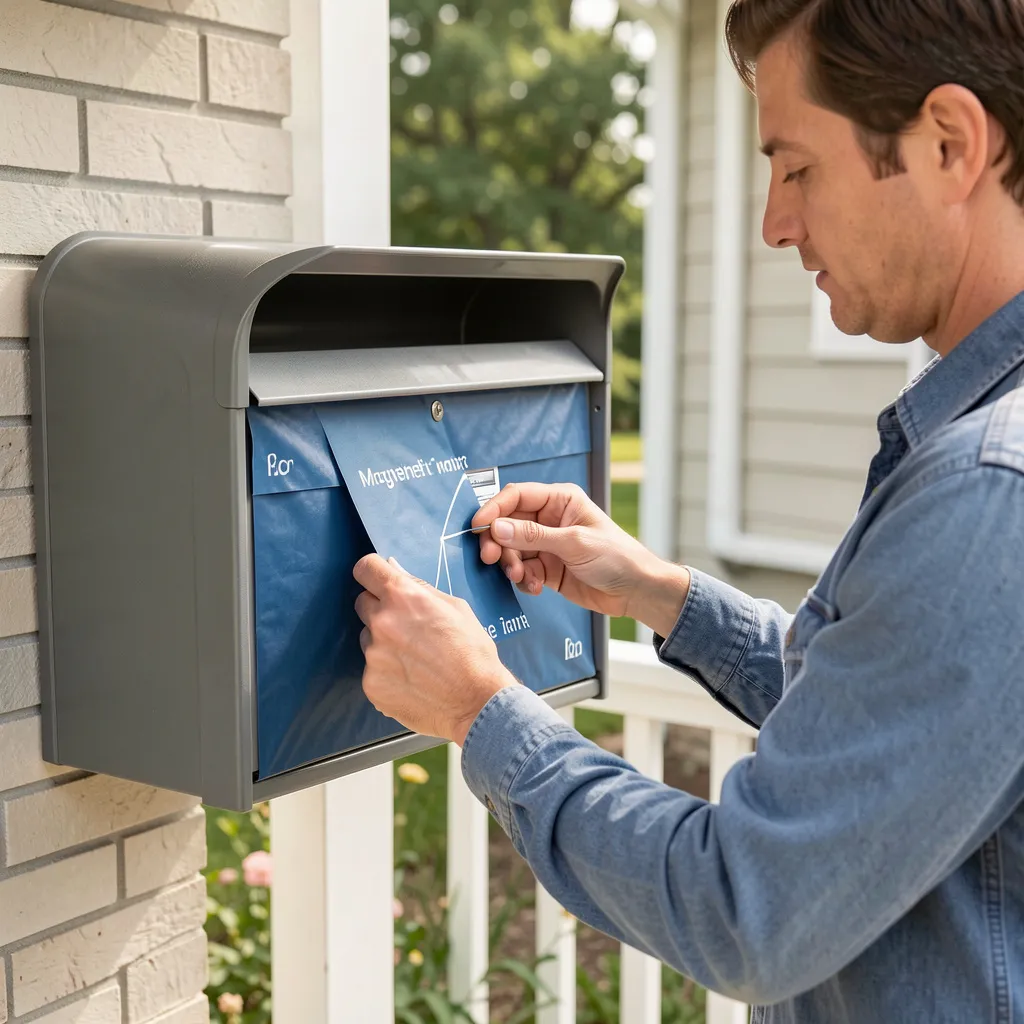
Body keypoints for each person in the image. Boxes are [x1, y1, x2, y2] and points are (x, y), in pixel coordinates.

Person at [353, 1, 1024, 1019]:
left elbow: (745, 907)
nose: (772, 222)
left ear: (948, 143)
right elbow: (893, 727)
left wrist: (480, 712)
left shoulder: (987, 487)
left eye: (796, 167)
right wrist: (665, 595)